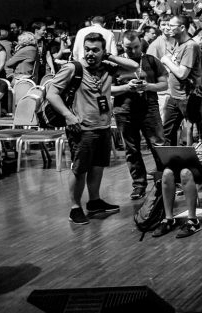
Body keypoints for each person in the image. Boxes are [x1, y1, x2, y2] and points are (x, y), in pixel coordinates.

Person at [46, 33, 138, 225]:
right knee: (80, 169)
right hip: (81, 128)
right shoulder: (73, 68)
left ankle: (94, 202)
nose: (90, 53)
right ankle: (75, 208)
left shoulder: (107, 68)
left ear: (103, 51)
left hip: (103, 126)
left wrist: (109, 57)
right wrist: (68, 116)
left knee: (97, 167)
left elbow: (134, 66)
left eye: (95, 50)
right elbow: (51, 93)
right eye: (87, 49)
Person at [112, 31, 167, 200]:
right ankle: (139, 185)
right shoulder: (114, 64)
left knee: (158, 146)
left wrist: (148, 86)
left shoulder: (151, 60)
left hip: (149, 109)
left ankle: (164, 182)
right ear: (122, 46)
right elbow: (107, 89)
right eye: (129, 48)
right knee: (131, 149)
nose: (134, 51)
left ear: (141, 44)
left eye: (136, 47)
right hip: (124, 110)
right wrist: (126, 88)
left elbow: (164, 84)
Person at [159, 15, 202, 145]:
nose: (167, 28)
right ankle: (170, 162)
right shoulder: (178, 44)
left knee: (191, 134)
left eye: (171, 26)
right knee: (166, 132)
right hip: (174, 95)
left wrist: (166, 60)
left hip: (187, 98)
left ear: (182, 28)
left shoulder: (190, 46)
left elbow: (182, 73)